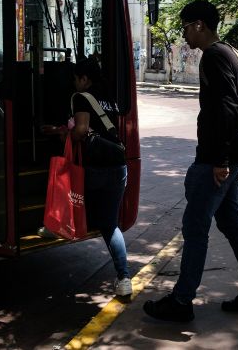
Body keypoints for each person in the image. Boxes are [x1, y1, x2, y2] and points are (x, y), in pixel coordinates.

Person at [143, 0, 238, 323]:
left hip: (218, 157)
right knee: (230, 221)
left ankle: (181, 301)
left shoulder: (214, 56)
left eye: (185, 27)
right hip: (230, 153)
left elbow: (227, 107)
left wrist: (220, 160)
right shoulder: (226, 52)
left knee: (195, 226)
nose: (184, 34)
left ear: (199, 25)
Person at [68, 57, 132, 297]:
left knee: (71, 197)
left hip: (95, 168)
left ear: (84, 79)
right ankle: (124, 278)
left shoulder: (81, 97)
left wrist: (65, 134)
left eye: (76, 79)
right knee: (110, 225)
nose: (75, 84)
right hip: (118, 166)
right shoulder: (109, 97)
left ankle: (54, 225)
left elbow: (82, 130)